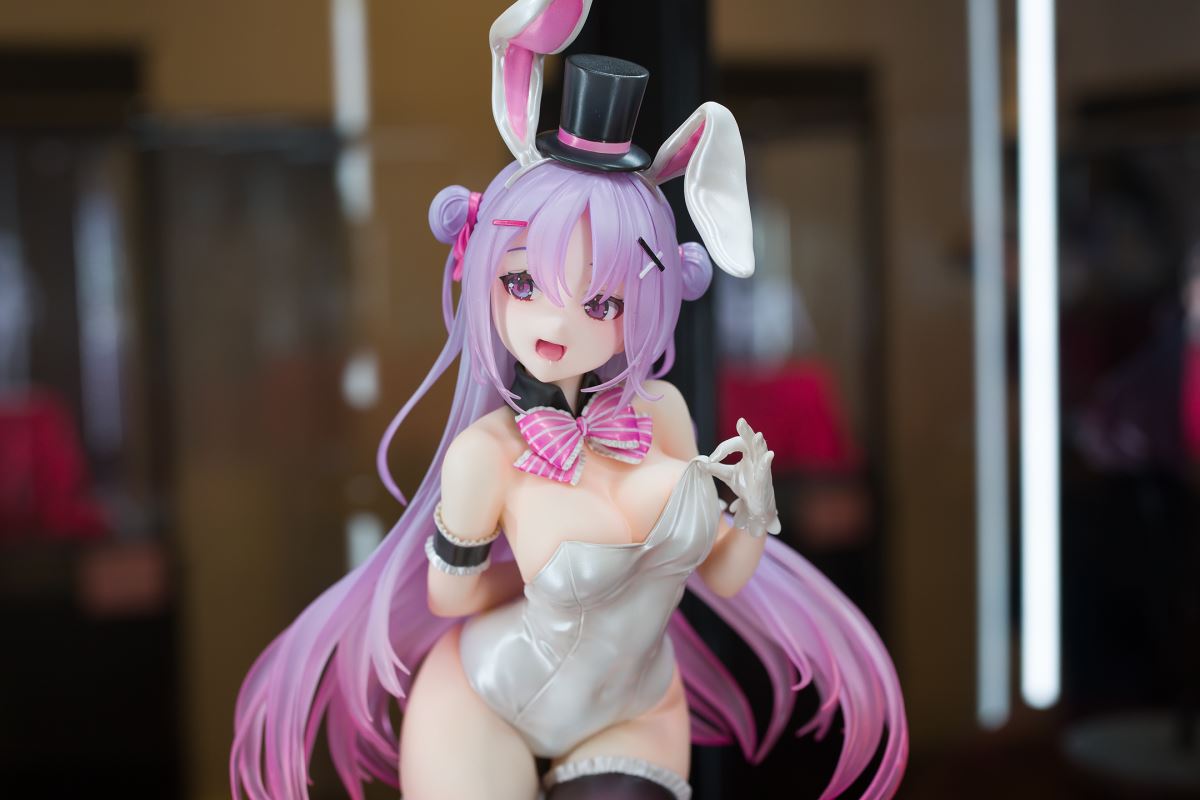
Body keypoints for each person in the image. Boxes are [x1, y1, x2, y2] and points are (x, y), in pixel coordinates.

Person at [231, 2, 907, 798]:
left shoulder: (661, 413)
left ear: (646, 302)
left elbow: (722, 576)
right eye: (523, 282)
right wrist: (531, 579)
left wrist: (754, 509)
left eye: (601, 301)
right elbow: (450, 594)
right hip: (485, 700)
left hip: (638, 706)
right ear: (484, 271)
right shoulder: (486, 454)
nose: (555, 324)